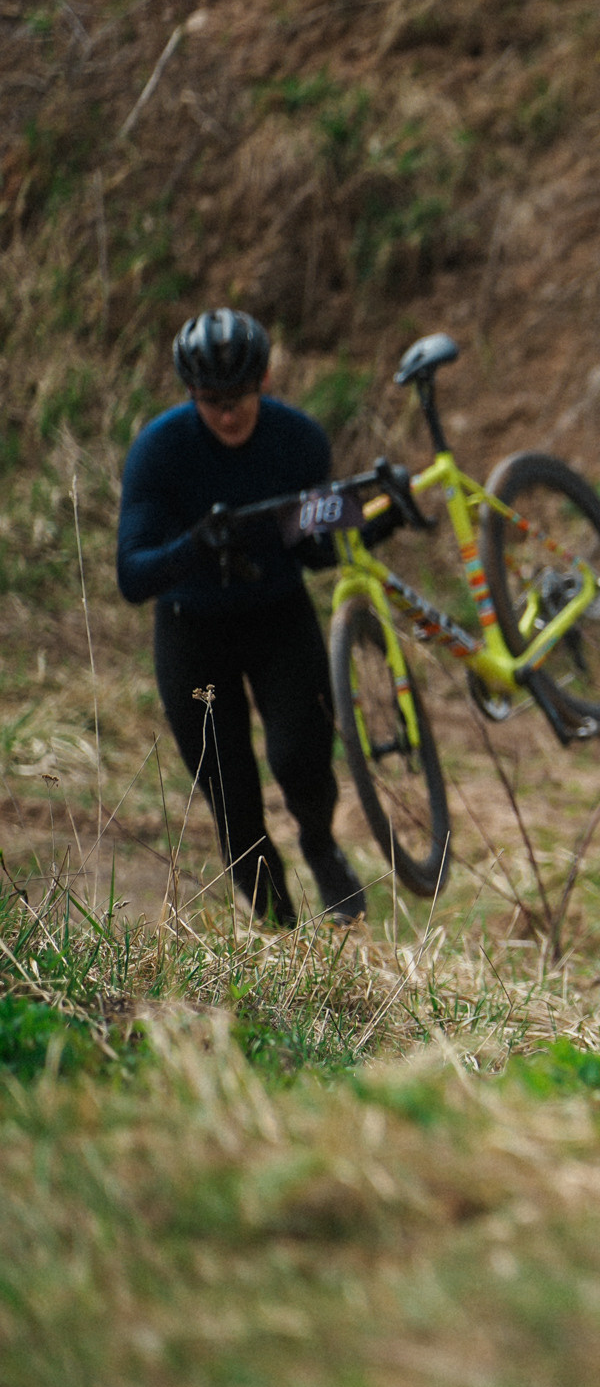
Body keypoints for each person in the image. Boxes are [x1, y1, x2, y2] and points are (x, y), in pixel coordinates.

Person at [116, 309, 369, 927]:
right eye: (212, 401)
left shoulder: (299, 439)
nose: (228, 415)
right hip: (191, 631)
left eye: (240, 398)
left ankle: (321, 844)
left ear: (265, 381)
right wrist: (194, 546)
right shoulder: (160, 451)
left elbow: (317, 546)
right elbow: (132, 575)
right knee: (231, 795)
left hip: (278, 618)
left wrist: (367, 523)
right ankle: (283, 936)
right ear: (191, 393)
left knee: (302, 757)